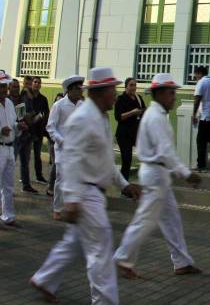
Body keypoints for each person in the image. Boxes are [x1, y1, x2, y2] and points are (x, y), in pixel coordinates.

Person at [30, 67, 141, 305]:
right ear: (101, 92)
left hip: (93, 192)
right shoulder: (83, 119)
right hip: (85, 193)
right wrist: (70, 199)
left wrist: (124, 185)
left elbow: (105, 161)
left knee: (73, 243)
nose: (115, 95)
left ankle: (45, 279)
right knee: (100, 253)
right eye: (113, 90)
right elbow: (70, 160)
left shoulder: (99, 117)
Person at [114, 74, 202, 279]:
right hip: (155, 173)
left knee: (171, 220)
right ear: (160, 93)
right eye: (171, 93)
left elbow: (165, 153)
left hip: (158, 173)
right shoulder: (155, 117)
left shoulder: (157, 115)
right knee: (145, 219)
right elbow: (165, 152)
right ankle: (122, 257)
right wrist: (186, 173)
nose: (174, 97)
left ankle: (182, 262)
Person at [46, 75, 84, 219]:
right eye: (77, 89)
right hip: (62, 149)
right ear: (69, 90)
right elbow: (50, 127)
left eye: (81, 88)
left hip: (78, 148)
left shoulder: (82, 105)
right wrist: (61, 140)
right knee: (61, 178)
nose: (80, 92)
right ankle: (57, 208)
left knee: (76, 178)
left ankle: (72, 207)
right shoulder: (59, 105)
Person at [18, 75, 50, 193]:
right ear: (32, 84)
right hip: (27, 130)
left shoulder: (43, 99)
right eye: (34, 82)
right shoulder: (26, 96)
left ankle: (39, 175)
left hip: (38, 130)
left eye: (38, 82)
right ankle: (24, 179)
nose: (36, 84)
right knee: (24, 157)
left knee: (37, 155)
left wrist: (41, 118)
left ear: (40, 84)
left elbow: (46, 113)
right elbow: (22, 111)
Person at [114, 78, 145, 181]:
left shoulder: (138, 98)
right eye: (131, 85)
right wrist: (132, 113)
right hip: (124, 134)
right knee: (127, 160)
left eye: (135, 85)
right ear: (126, 86)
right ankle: (124, 185)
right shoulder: (121, 99)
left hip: (135, 133)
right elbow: (118, 117)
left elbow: (143, 112)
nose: (133, 87)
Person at [192, 66, 210, 173]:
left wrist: (193, 114)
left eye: (195, 75)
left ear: (199, 73)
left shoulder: (201, 82)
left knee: (200, 141)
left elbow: (197, 99)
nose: (195, 77)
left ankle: (201, 166)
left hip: (206, 117)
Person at [0, 71, 20, 227]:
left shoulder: (10, 104)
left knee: (8, 184)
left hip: (10, 149)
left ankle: (8, 215)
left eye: (5, 86)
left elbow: (13, 125)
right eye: (2, 87)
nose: (5, 90)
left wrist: (19, 127)